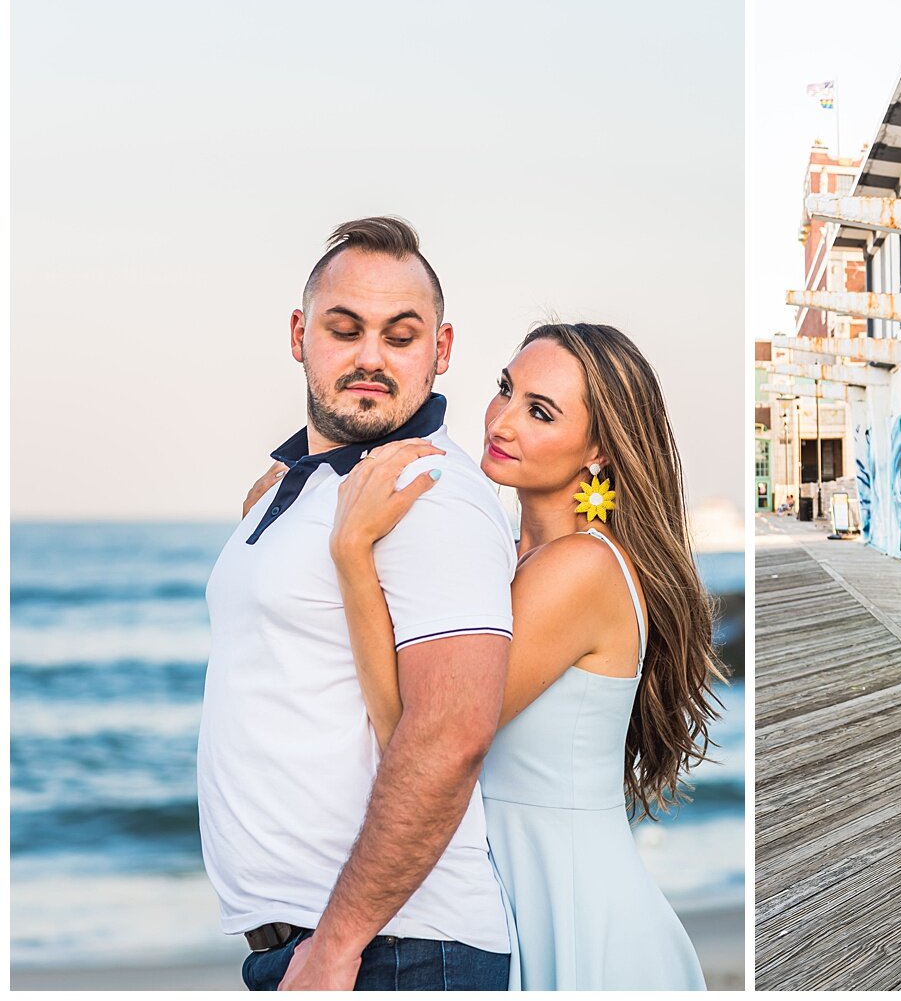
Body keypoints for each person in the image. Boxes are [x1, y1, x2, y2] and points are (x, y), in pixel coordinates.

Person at [311, 321, 720, 990]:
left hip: (572, 909)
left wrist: (352, 555)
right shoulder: (518, 559)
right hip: (521, 890)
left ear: (598, 450)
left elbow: (411, 732)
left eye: (539, 411)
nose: (502, 420)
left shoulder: (579, 568)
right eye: (506, 389)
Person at [199, 217, 516, 990]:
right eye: (346, 329)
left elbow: (452, 734)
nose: (371, 355)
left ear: (440, 351)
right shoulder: (305, 483)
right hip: (333, 946)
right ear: (301, 334)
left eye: (400, 335)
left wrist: (337, 945)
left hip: (390, 949)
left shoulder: (425, 492)